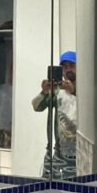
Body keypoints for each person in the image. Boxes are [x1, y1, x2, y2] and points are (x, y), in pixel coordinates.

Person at [32, 50, 77, 179]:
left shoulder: (85, 90)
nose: (68, 70)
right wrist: (44, 92)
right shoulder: (57, 92)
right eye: (65, 67)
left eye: (72, 65)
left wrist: (74, 91)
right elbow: (36, 106)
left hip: (78, 155)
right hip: (59, 155)